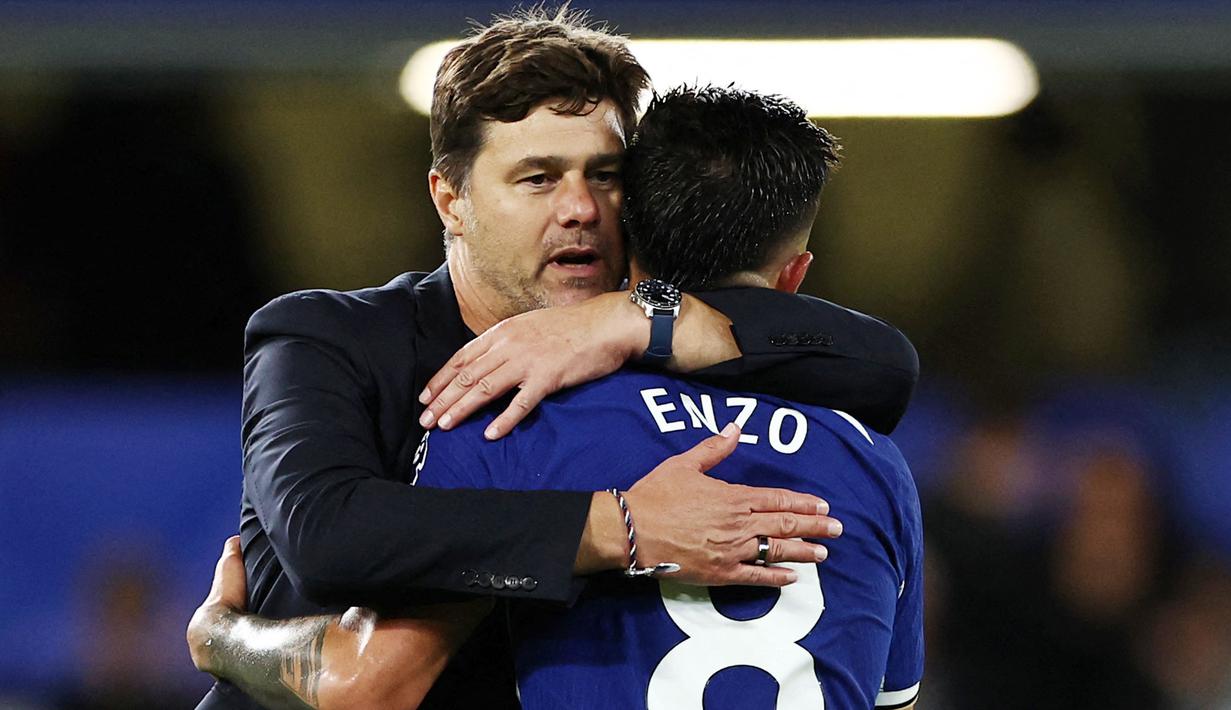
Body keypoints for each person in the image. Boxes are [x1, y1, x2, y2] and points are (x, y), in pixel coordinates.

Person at [195, 8, 918, 709]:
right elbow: (330, 535)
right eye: (537, 178)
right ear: (450, 199)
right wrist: (620, 526)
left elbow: (883, 366)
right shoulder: (326, 336)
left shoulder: (632, 354)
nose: (579, 209)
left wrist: (640, 324)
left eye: (603, 176)